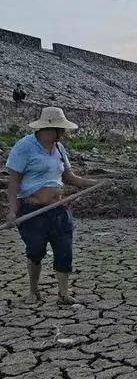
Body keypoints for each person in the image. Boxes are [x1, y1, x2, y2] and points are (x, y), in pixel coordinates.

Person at [5, 107, 99, 304]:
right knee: (36, 250)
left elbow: (69, 178)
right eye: (60, 130)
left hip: (59, 210)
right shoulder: (24, 147)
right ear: (48, 129)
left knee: (64, 251)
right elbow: (13, 183)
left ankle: (63, 294)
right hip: (33, 211)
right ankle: (33, 291)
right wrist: (12, 211)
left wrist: (95, 183)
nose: (63, 134)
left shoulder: (59, 149)